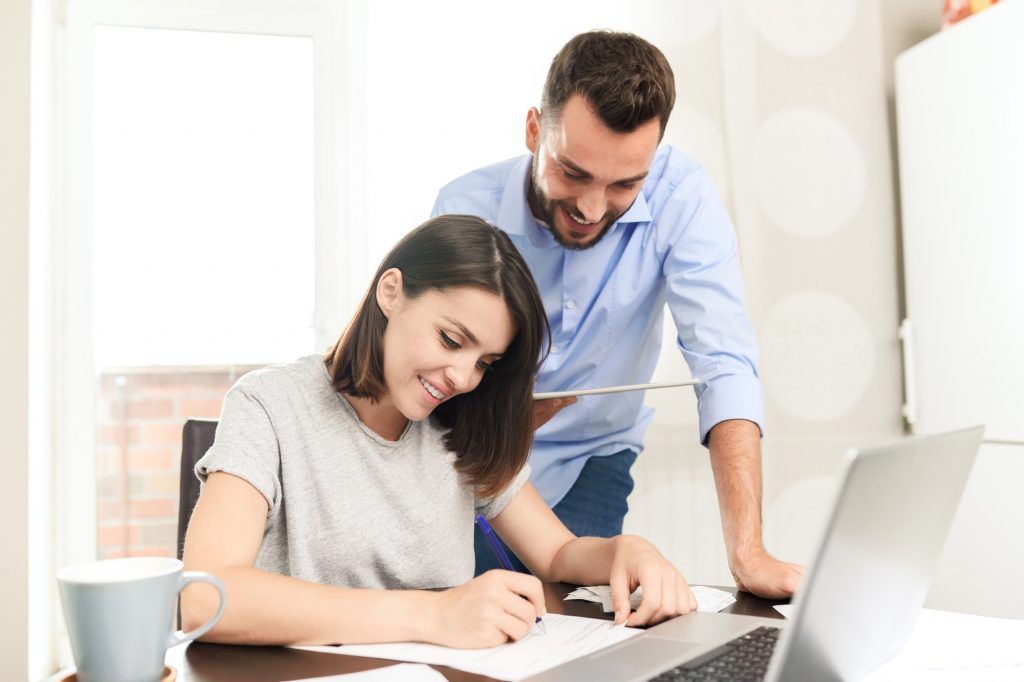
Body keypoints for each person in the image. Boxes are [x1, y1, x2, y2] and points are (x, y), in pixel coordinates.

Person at [181, 214, 696, 648]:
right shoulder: (269, 404)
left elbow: (558, 554)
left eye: (485, 363)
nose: (463, 378)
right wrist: (434, 615)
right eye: (451, 339)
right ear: (392, 292)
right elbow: (204, 596)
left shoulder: (465, 422)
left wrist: (624, 551)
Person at [432, 31, 803, 599]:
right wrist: (508, 420)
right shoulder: (463, 209)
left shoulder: (682, 198)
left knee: (568, 625)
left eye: (625, 183)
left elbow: (723, 363)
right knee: (469, 612)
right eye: (573, 173)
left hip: (592, 457)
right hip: (476, 456)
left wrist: (747, 553)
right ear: (535, 130)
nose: (590, 208)